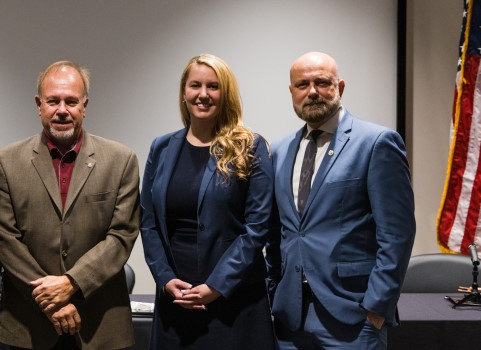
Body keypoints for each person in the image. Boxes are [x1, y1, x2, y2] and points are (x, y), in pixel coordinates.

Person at [0, 61, 140, 349]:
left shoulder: (121, 160)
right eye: (53, 101)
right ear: (38, 105)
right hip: (29, 324)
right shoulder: (6, 161)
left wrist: (72, 283)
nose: (62, 110)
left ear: (84, 105)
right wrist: (50, 301)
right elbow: (4, 238)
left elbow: (121, 237)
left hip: (99, 326)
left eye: (71, 101)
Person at [270, 51, 415, 349]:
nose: (312, 92)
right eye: (302, 85)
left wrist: (376, 307)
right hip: (289, 318)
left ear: (341, 87)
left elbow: (397, 234)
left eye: (322, 82)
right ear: (291, 92)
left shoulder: (376, 142)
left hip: (353, 316)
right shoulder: (280, 150)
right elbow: (277, 232)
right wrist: (273, 288)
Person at [139, 54, 276, 349]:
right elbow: (148, 222)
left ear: (225, 93)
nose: (203, 94)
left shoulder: (251, 147)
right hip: (176, 297)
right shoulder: (161, 147)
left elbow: (257, 229)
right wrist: (164, 278)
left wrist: (216, 286)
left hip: (234, 299)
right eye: (195, 85)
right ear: (183, 93)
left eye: (213, 86)